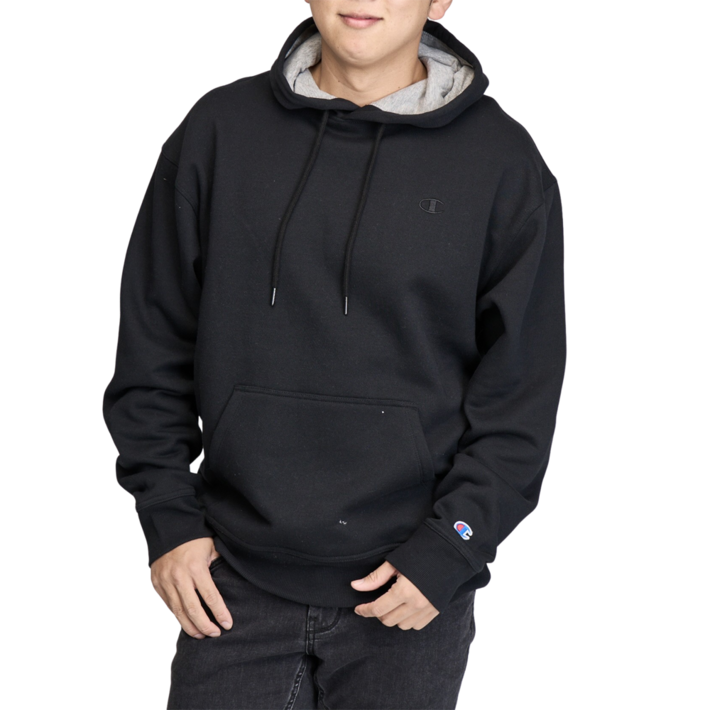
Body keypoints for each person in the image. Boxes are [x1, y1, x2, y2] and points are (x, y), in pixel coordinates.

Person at [103, 1, 566, 707]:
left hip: (408, 591)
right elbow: (152, 342)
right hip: (230, 583)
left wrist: (453, 546)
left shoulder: (502, 163)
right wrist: (167, 517)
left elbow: (520, 393)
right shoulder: (219, 131)